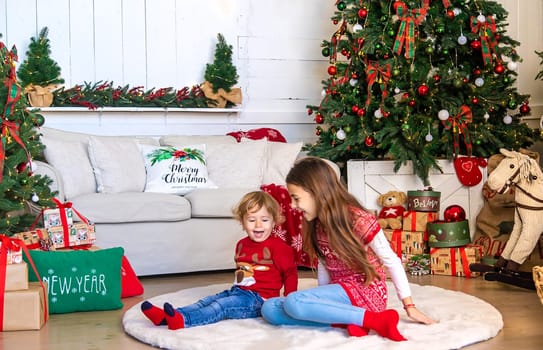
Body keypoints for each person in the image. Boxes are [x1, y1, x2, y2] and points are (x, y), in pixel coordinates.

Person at [261, 157, 436, 341]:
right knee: (270, 309)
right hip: (341, 294)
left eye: (296, 198)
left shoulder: (359, 220)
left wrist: (409, 306)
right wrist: (320, 302)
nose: (293, 206)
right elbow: (324, 263)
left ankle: (377, 320)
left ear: (316, 192)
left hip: (367, 292)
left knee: (294, 302)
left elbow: (391, 260)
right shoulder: (316, 224)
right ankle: (351, 320)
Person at [140, 191, 298, 330]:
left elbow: (290, 273)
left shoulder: (278, 248)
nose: (258, 225)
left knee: (221, 306)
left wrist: (287, 301)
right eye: (251, 220)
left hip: (259, 300)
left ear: (274, 221)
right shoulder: (241, 244)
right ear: (242, 222)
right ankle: (166, 317)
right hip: (238, 291)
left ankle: (183, 320)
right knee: (207, 301)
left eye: (264, 220)